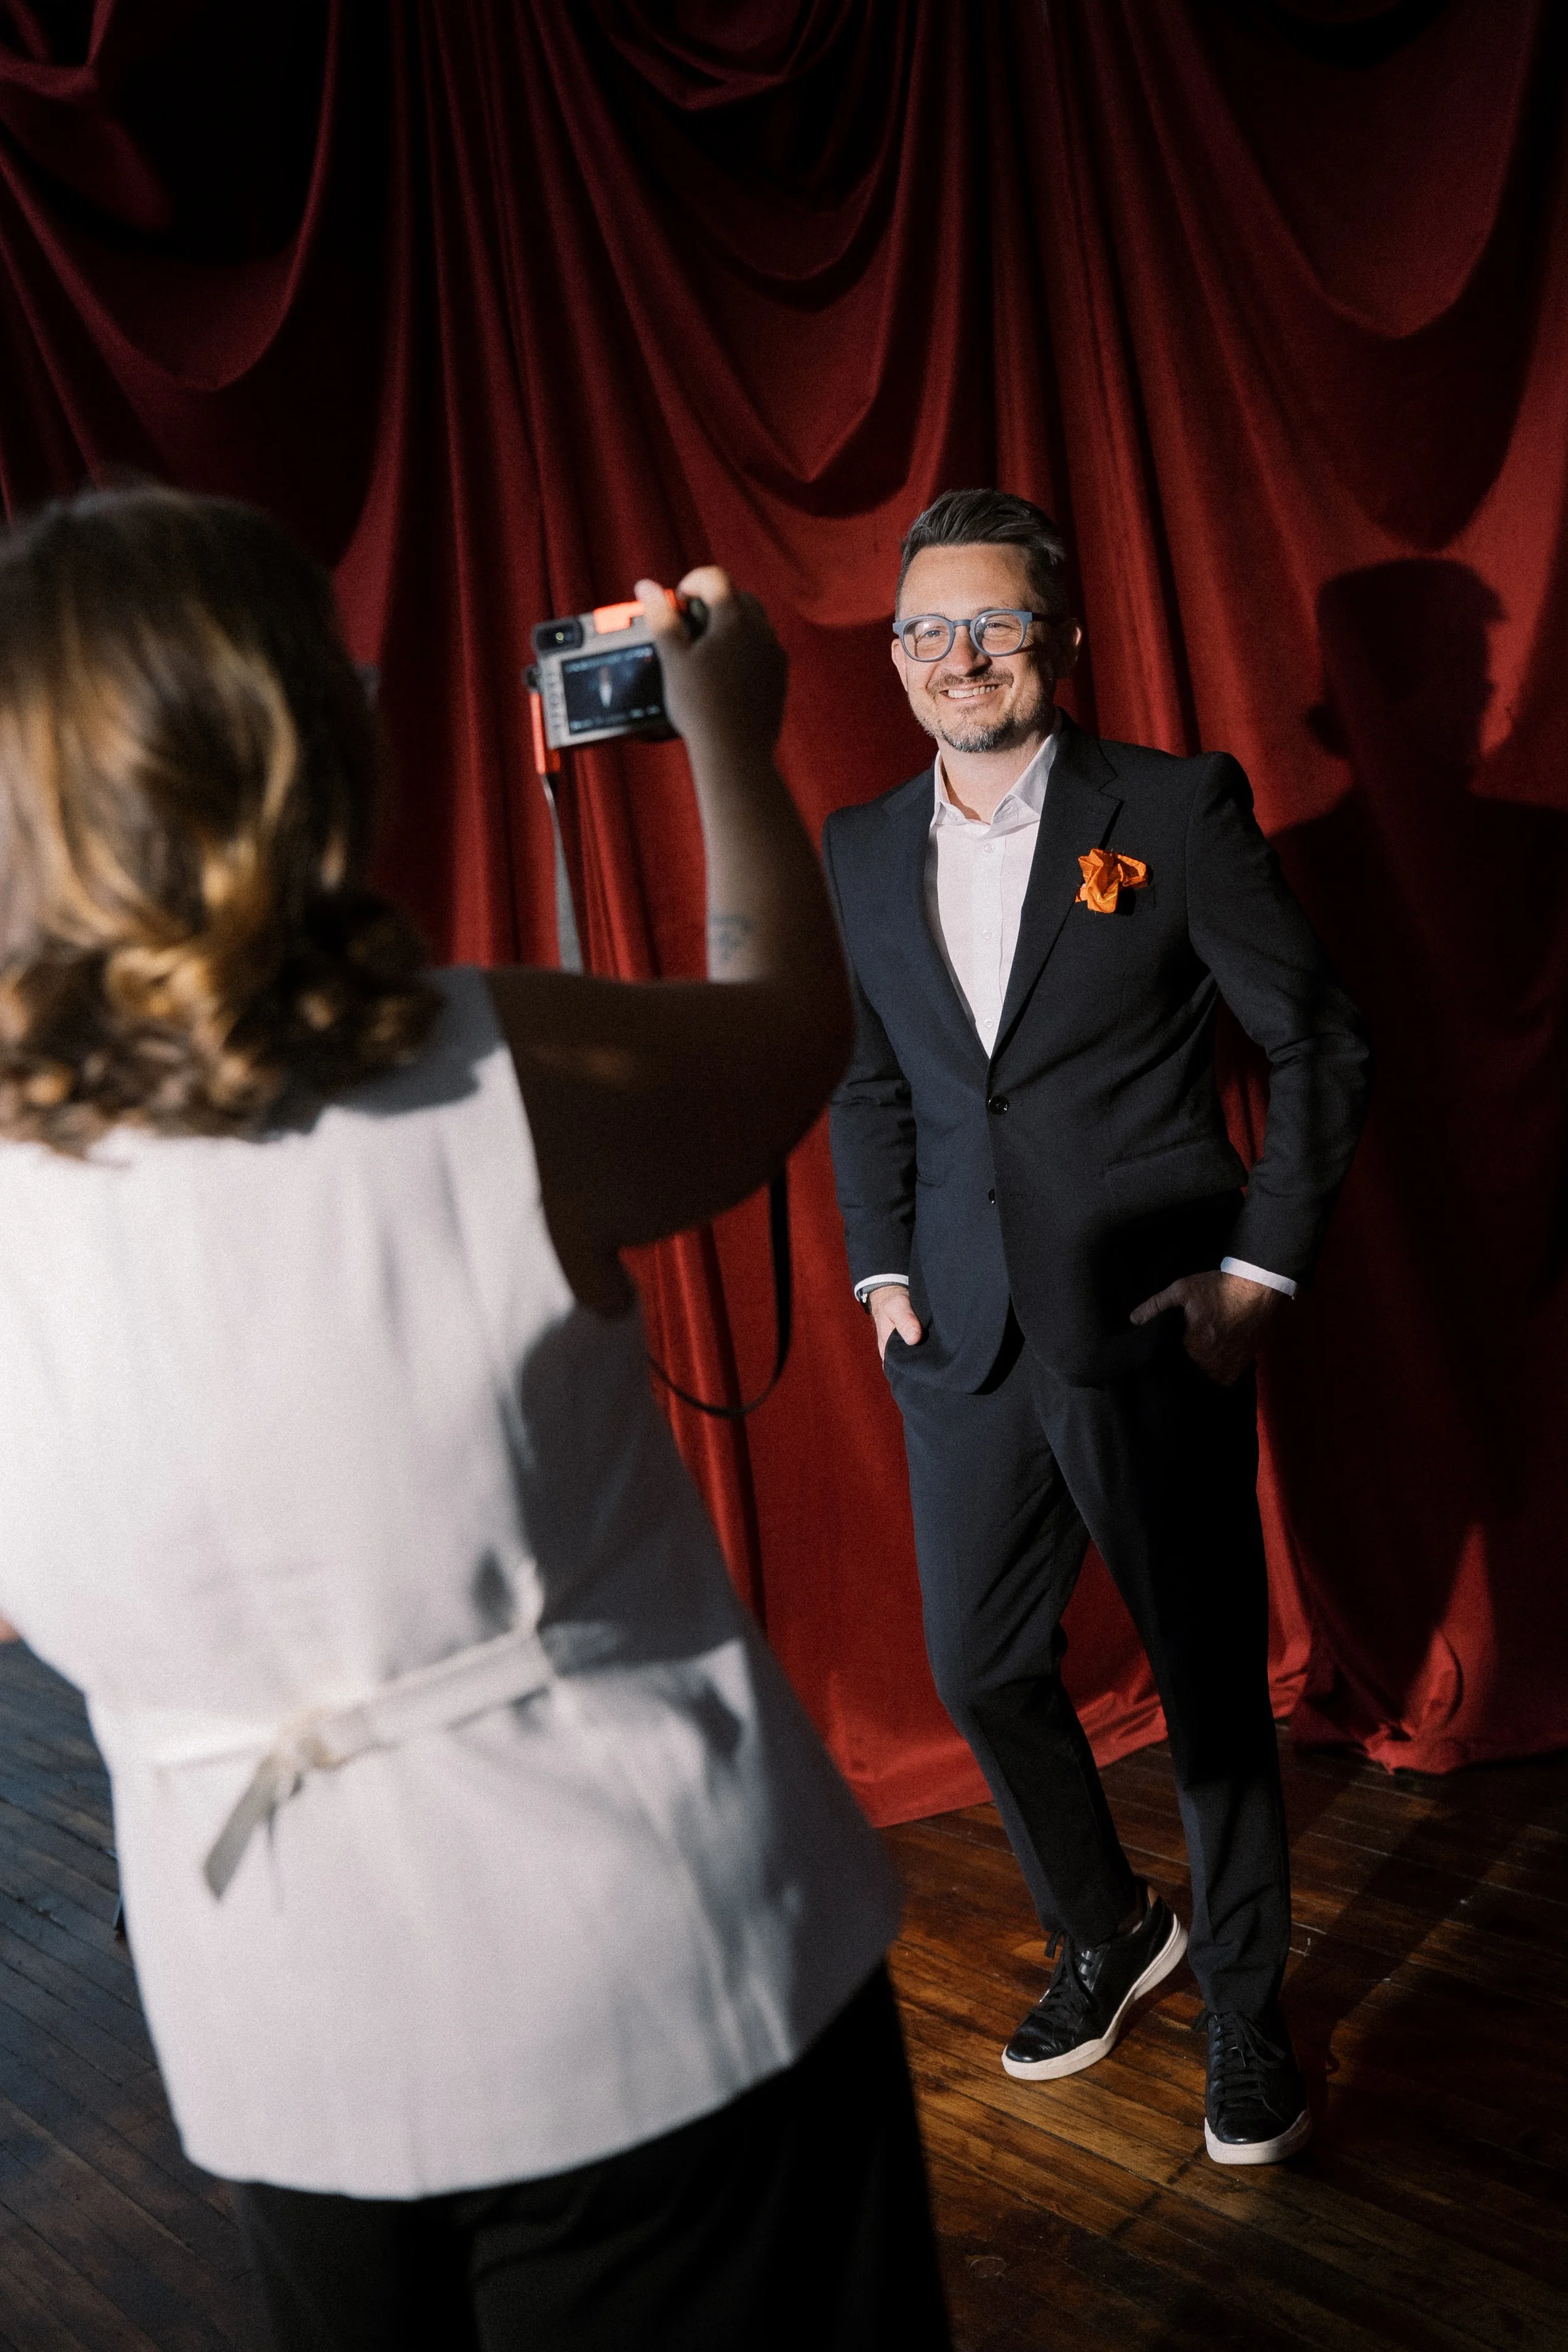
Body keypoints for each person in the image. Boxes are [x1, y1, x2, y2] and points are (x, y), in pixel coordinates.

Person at [0, 485, 951, 2350]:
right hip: (656, 1978)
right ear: (298, 746)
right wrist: (728, 746)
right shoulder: (491, 1070)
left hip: (283, 2037)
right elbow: (784, 1034)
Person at [822, 488, 1370, 2168]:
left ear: (1055, 636)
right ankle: (1102, 1925)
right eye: (926, 629)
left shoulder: (1174, 804)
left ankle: (1246, 2006)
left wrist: (1254, 1273)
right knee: (980, 1666)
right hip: (959, 1334)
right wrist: (880, 1269)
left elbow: (1316, 1044)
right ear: (898, 654)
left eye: (990, 622)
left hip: (1147, 1317)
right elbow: (871, 1077)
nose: (956, 655)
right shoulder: (853, 847)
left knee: (1207, 1680)